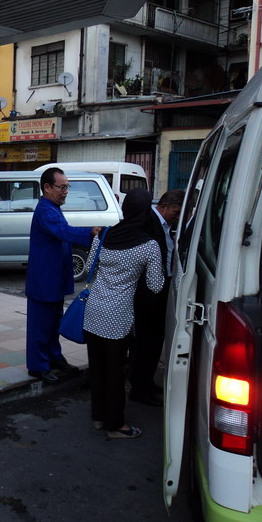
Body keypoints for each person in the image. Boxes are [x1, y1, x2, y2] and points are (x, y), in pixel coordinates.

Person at [82, 188, 164, 439]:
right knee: (116, 372)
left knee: (97, 369)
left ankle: (99, 418)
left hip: (93, 311)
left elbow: (88, 269)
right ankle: (115, 426)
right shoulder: (149, 246)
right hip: (117, 318)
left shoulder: (104, 234)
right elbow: (156, 285)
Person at [25, 167, 94, 383]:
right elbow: (64, 232)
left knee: (54, 323)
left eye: (67, 187)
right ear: (47, 187)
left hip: (53, 279)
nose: (65, 191)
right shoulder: (46, 210)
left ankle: (54, 358)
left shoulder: (53, 207)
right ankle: (38, 366)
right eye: (62, 187)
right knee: (41, 326)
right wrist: (92, 233)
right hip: (44, 280)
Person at [129, 189, 184, 406]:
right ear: (164, 206)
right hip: (149, 292)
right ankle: (139, 388)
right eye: (176, 211)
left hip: (162, 287)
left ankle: (147, 382)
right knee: (146, 342)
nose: (178, 216)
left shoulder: (168, 226)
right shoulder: (148, 221)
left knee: (155, 341)